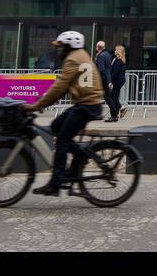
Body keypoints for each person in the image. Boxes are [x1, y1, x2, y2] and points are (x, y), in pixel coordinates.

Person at [24, 30, 105, 196]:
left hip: (86, 106)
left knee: (61, 140)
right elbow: (66, 86)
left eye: (61, 47)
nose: (58, 50)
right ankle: (80, 155)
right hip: (86, 103)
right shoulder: (80, 55)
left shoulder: (72, 59)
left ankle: (56, 183)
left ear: (70, 46)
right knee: (55, 126)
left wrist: (37, 105)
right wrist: (45, 101)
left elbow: (60, 86)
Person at [105, 45, 127, 122]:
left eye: (115, 50)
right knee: (114, 96)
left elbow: (115, 73)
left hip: (117, 81)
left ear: (118, 51)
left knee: (112, 97)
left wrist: (111, 82)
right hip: (118, 81)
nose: (114, 51)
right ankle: (116, 114)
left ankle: (118, 111)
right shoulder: (119, 59)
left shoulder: (118, 60)